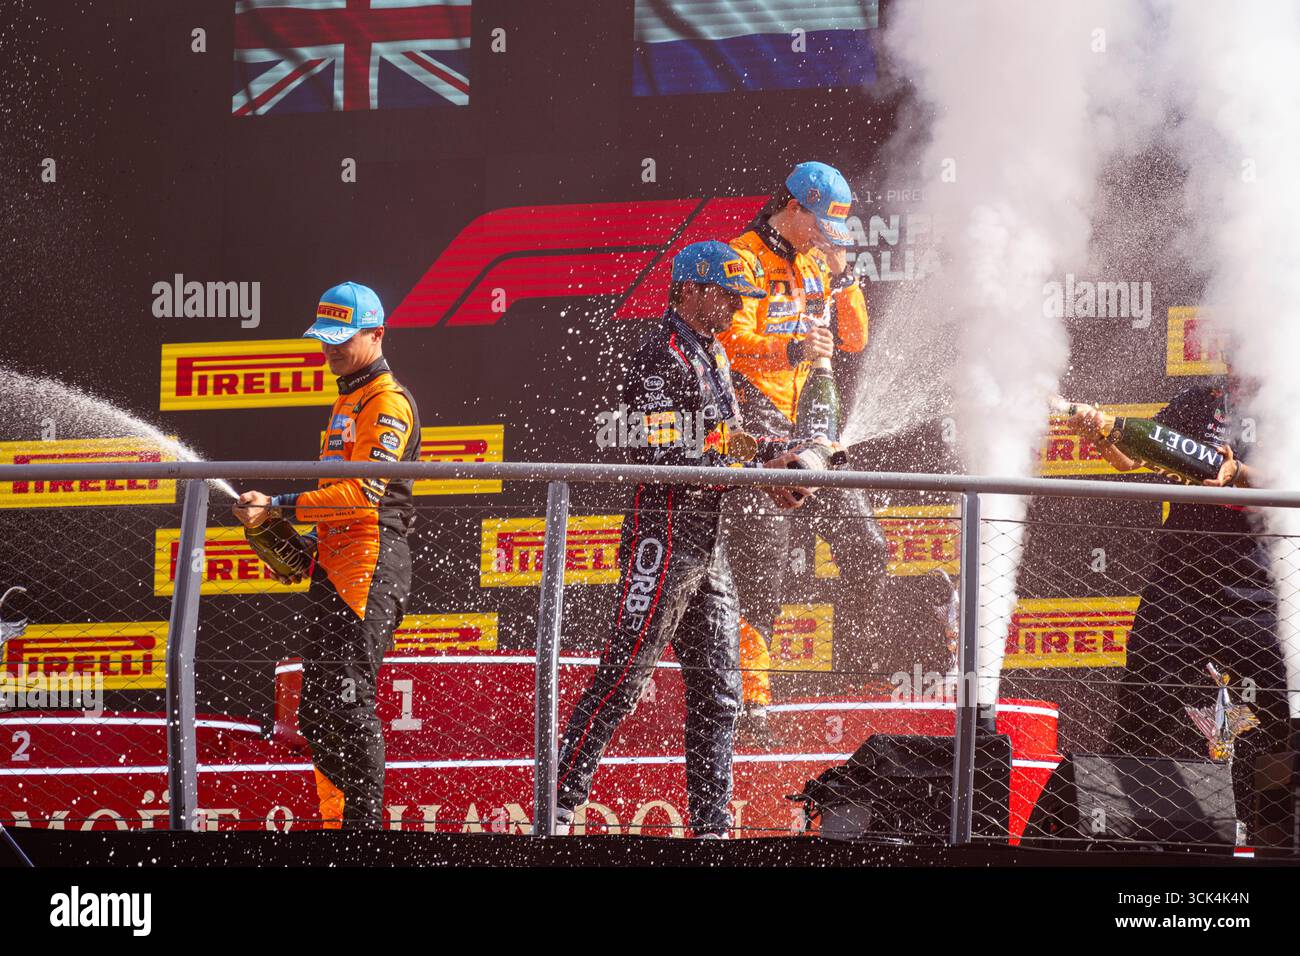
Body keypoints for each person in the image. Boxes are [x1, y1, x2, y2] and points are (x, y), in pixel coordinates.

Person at [556, 241, 821, 838]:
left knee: (723, 692)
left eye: (739, 298)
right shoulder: (659, 358)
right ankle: (558, 810)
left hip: (710, 544)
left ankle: (711, 831)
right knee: (623, 679)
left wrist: (773, 462)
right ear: (689, 291)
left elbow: (725, 437)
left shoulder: (715, 355)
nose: (734, 308)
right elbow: (666, 455)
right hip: (664, 534)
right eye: (726, 296)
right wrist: (759, 472)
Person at [233, 281, 421, 829]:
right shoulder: (345, 399)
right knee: (316, 716)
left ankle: (365, 832)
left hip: (371, 565)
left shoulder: (386, 400)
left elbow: (362, 492)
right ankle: (337, 824)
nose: (331, 349)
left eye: (343, 338)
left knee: (349, 702)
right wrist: (274, 529)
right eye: (325, 339)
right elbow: (334, 507)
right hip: (336, 564)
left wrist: (280, 504)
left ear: (377, 334)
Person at [1067, 379, 1289, 837]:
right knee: (1142, 702)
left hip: (1253, 582)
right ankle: (1116, 835)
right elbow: (1136, 456)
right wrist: (1103, 433)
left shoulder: (1286, 402)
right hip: (1179, 582)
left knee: (1288, 710)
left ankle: (1278, 832)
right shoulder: (1198, 401)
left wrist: (1240, 474)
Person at [719, 161, 889, 705]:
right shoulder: (741, 258)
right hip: (752, 427)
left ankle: (853, 677)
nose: (823, 238)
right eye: (818, 225)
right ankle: (753, 704)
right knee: (761, 572)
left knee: (868, 548)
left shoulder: (818, 262)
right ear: (792, 208)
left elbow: (855, 340)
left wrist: (843, 278)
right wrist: (789, 349)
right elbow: (727, 342)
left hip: (809, 428)